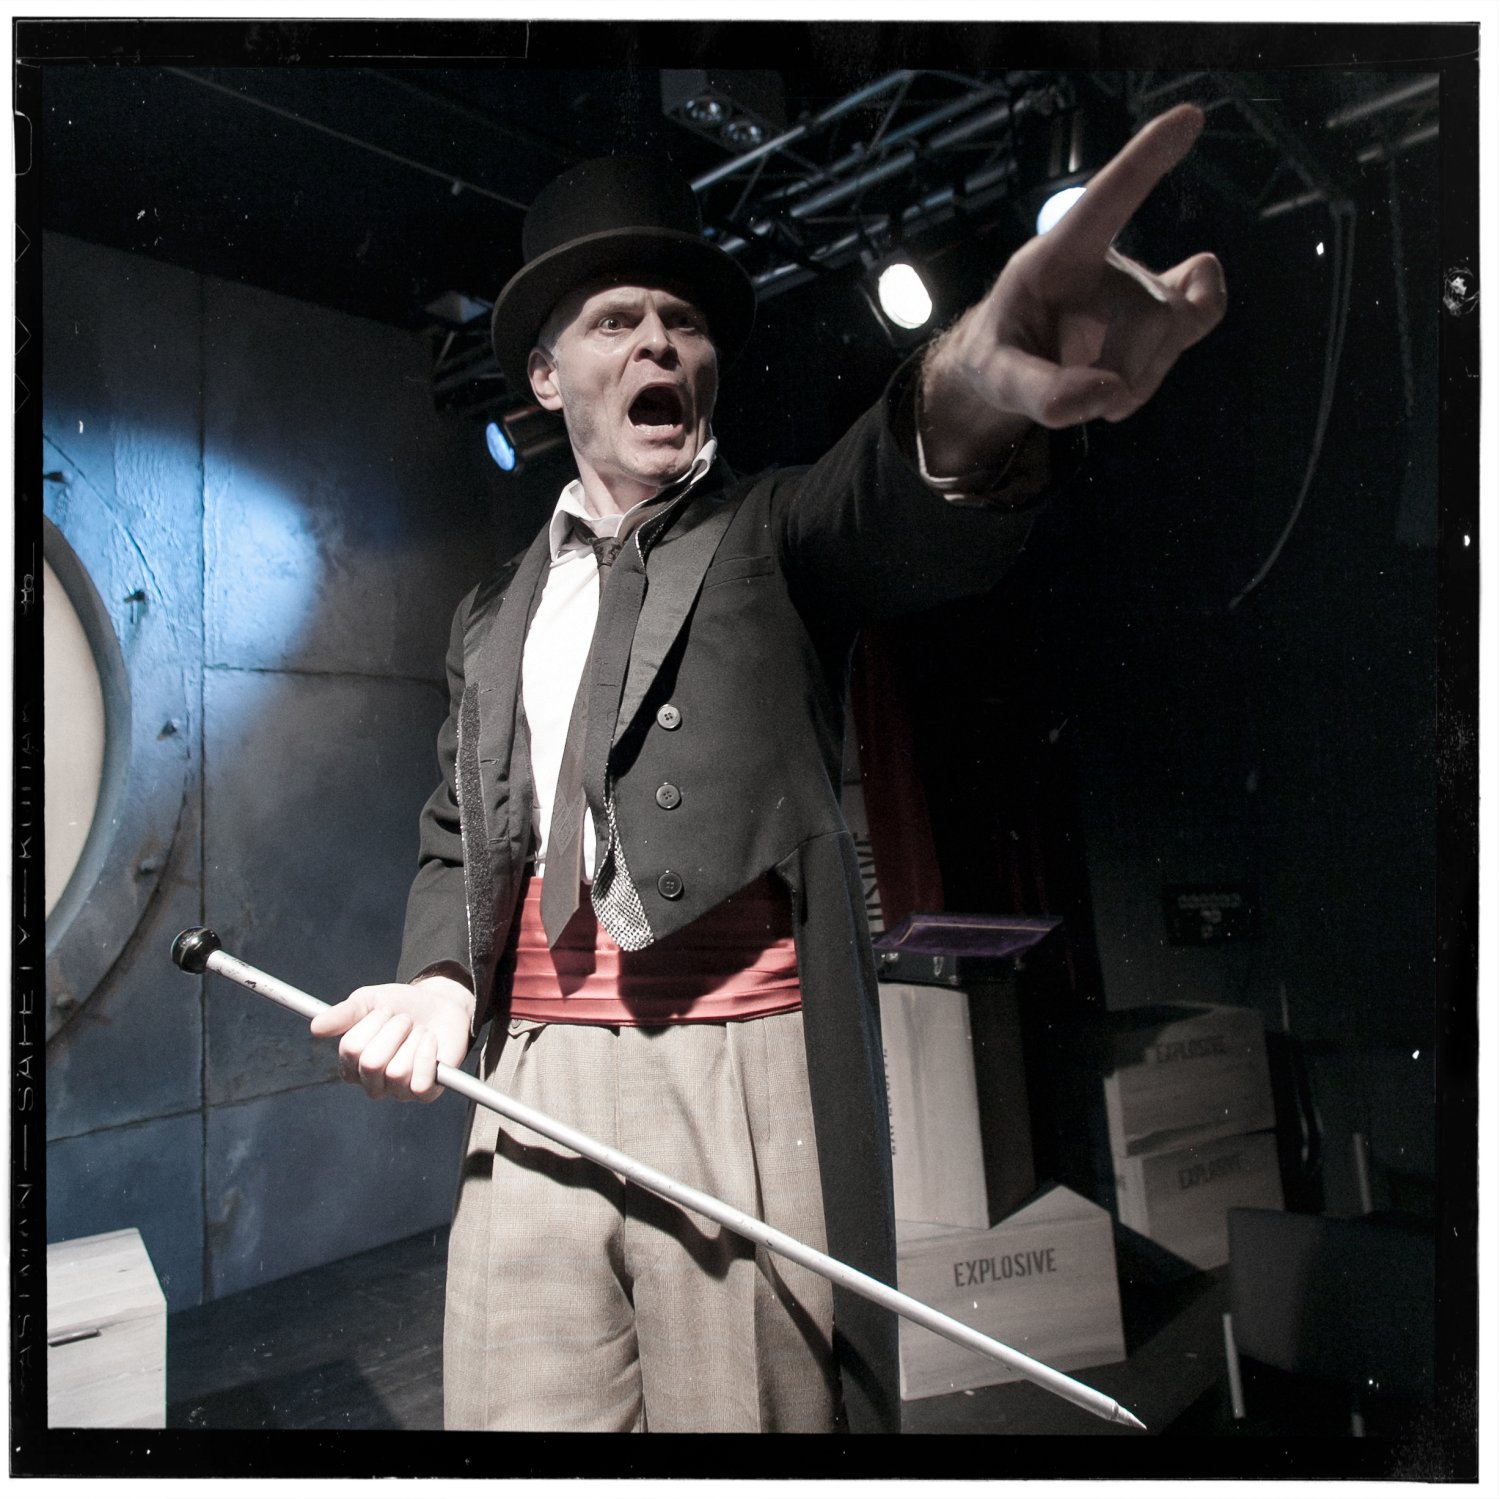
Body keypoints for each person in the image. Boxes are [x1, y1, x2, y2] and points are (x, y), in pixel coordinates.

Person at [312, 103, 1226, 1433]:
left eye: (682, 323)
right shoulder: (489, 616)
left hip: (734, 1072)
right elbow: (463, 835)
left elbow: (889, 486)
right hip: (528, 1080)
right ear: (547, 378)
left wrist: (978, 370)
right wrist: (444, 981)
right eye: (615, 321)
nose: (658, 343)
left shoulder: (774, 533)